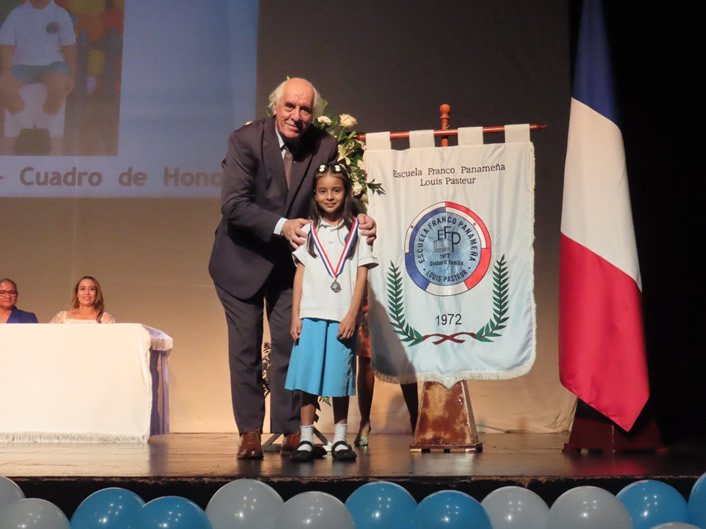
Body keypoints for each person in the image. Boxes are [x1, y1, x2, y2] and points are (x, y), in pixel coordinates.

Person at [208, 77, 376, 459]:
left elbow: (334, 195)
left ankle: (291, 431)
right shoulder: (245, 140)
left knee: (291, 344)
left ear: (313, 114)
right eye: (290, 106)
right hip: (240, 261)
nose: (296, 116)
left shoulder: (324, 144)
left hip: (291, 265)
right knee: (246, 349)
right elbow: (233, 205)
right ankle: (249, 432)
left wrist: (362, 220)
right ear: (275, 107)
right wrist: (282, 225)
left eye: (305, 109)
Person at [285, 162, 377, 462]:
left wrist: (352, 314)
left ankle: (339, 439)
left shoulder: (357, 231)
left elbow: (362, 274)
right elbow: (299, 274)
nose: (329, 196)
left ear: (346, 193)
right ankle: (306, 438)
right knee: (308, 378)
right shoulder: (307, 231)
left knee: (340, 378)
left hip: (341, 318)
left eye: (336, 190)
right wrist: (295, 315)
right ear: (315, 194)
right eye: (323, 191)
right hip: (310, 315)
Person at [0, 0, 76, 153]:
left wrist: (71, 75)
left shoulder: (60, 14)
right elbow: (6, 44)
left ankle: (43, 130)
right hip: (22, 65)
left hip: (53, 64)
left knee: (59, 87)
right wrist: (5, 71)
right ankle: (27, 130)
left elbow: (69, 46)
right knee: (3, 86)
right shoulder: (17, 14)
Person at [353, 296, 419, 447]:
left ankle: (415, 421)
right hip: (370, 299)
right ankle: (364, 422)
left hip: (397, 299)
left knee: (403, 360)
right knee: (366, 360)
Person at [50, 275, 115, 323]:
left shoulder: (105, 319)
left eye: (91, 289)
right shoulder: (62, 318)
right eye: (83, 289)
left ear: (96, 293)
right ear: (77, 293)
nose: (87, 293)